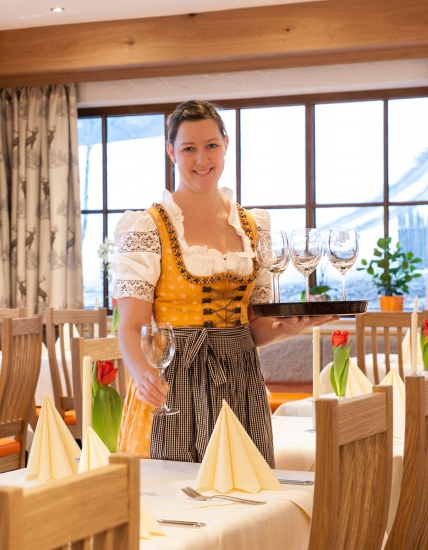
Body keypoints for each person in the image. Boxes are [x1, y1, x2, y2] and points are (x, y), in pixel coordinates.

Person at [112, 99, 333, 466]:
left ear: (226, 145)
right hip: (175, 379)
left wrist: (287, 329)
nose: (202, 159)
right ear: (171, 152)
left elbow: (255, 328)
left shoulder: (253, 226)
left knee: (247, 491)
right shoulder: (148, 227)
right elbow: (131, 326)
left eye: (211, 145)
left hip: (241, 380)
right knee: (178, 500)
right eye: (189, 148)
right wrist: (142, 373)